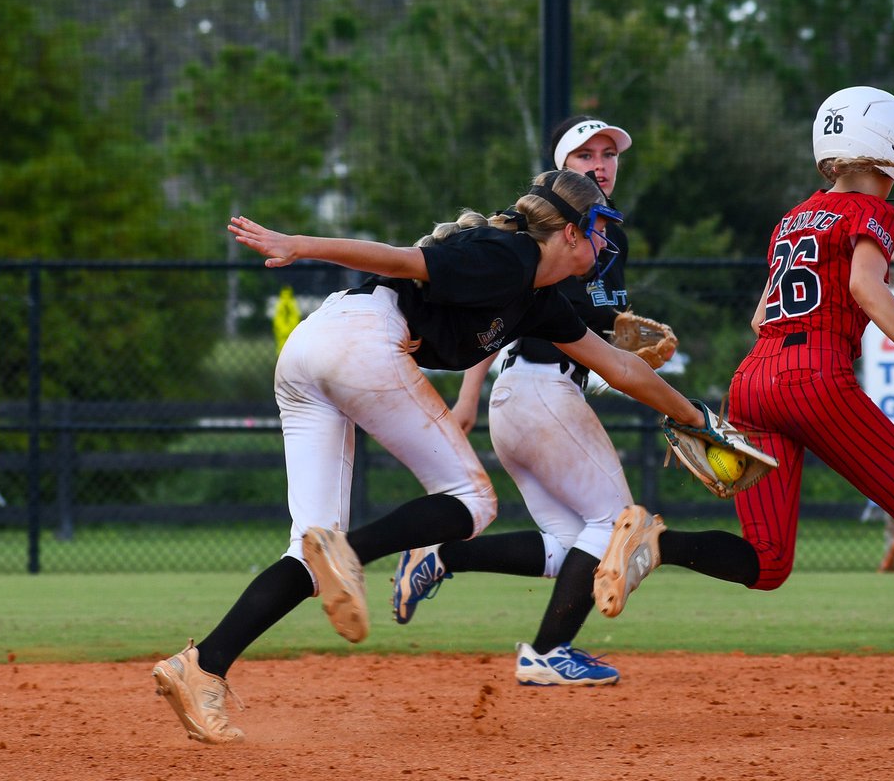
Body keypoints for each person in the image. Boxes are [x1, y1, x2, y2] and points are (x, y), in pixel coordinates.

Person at [151, 169, 708, 744]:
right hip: (360, 337)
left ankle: (201, 666)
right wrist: (299, 246)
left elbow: (617, 366)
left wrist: (696, 418)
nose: (604, 241)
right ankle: (346, 554)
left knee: (306, 548)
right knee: (473, 500)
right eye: (599, 227)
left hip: (313, 352)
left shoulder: (537, 300)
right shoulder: (507, 254)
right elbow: (399, 260)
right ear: (568, 231)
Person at [592, 86, 894, 729]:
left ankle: (656, 544)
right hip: (812, 376)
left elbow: (759, 313)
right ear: (882, 151)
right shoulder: (874, 212)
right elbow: (862, 284)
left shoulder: (795, 217)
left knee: (768, 562)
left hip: (754, 378)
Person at [389, 116, 667, 687]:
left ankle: (441, 556)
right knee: (615, 525)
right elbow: (498, 313)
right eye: (585, 154)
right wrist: (467, 396)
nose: (600, 162)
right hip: (537, 389)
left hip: (530, 395)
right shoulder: (543, 234)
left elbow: (579, 325)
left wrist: (617, 334)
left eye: (609, 152)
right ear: (562, 173)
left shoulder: (613, 235)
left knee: (569, 549)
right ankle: (546, 653)